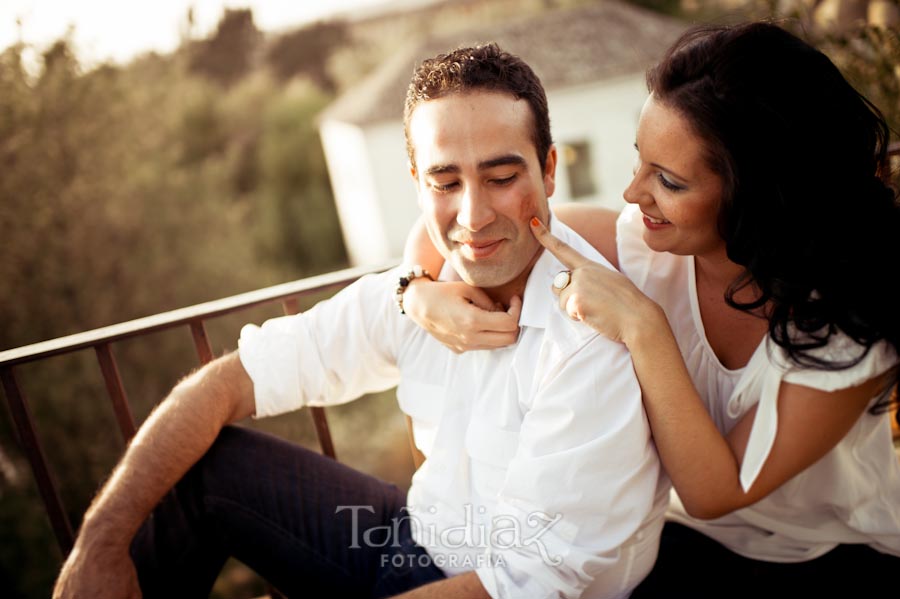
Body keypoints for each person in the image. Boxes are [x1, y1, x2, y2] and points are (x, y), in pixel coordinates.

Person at [53, 43, 668, 599]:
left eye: (502, 177)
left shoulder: (592, 343)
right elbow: (225, 383)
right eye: (445, 181)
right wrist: (98, 544)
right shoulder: (415, 291)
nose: (473, 215)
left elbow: (520, 586)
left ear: (550, 169)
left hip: (492, 589)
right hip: (406, 538)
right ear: (417, 185)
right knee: (202, 470)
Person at [401, 22, 900, 597]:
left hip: (823, 560)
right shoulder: (642, 241)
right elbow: (466, 228)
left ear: (757, 194)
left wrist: (644, 326)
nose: (633, 194)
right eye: (641, 162)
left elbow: (717, 493)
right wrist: (417, 291)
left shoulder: (848, 331)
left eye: (668, 180)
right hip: (678, 543)